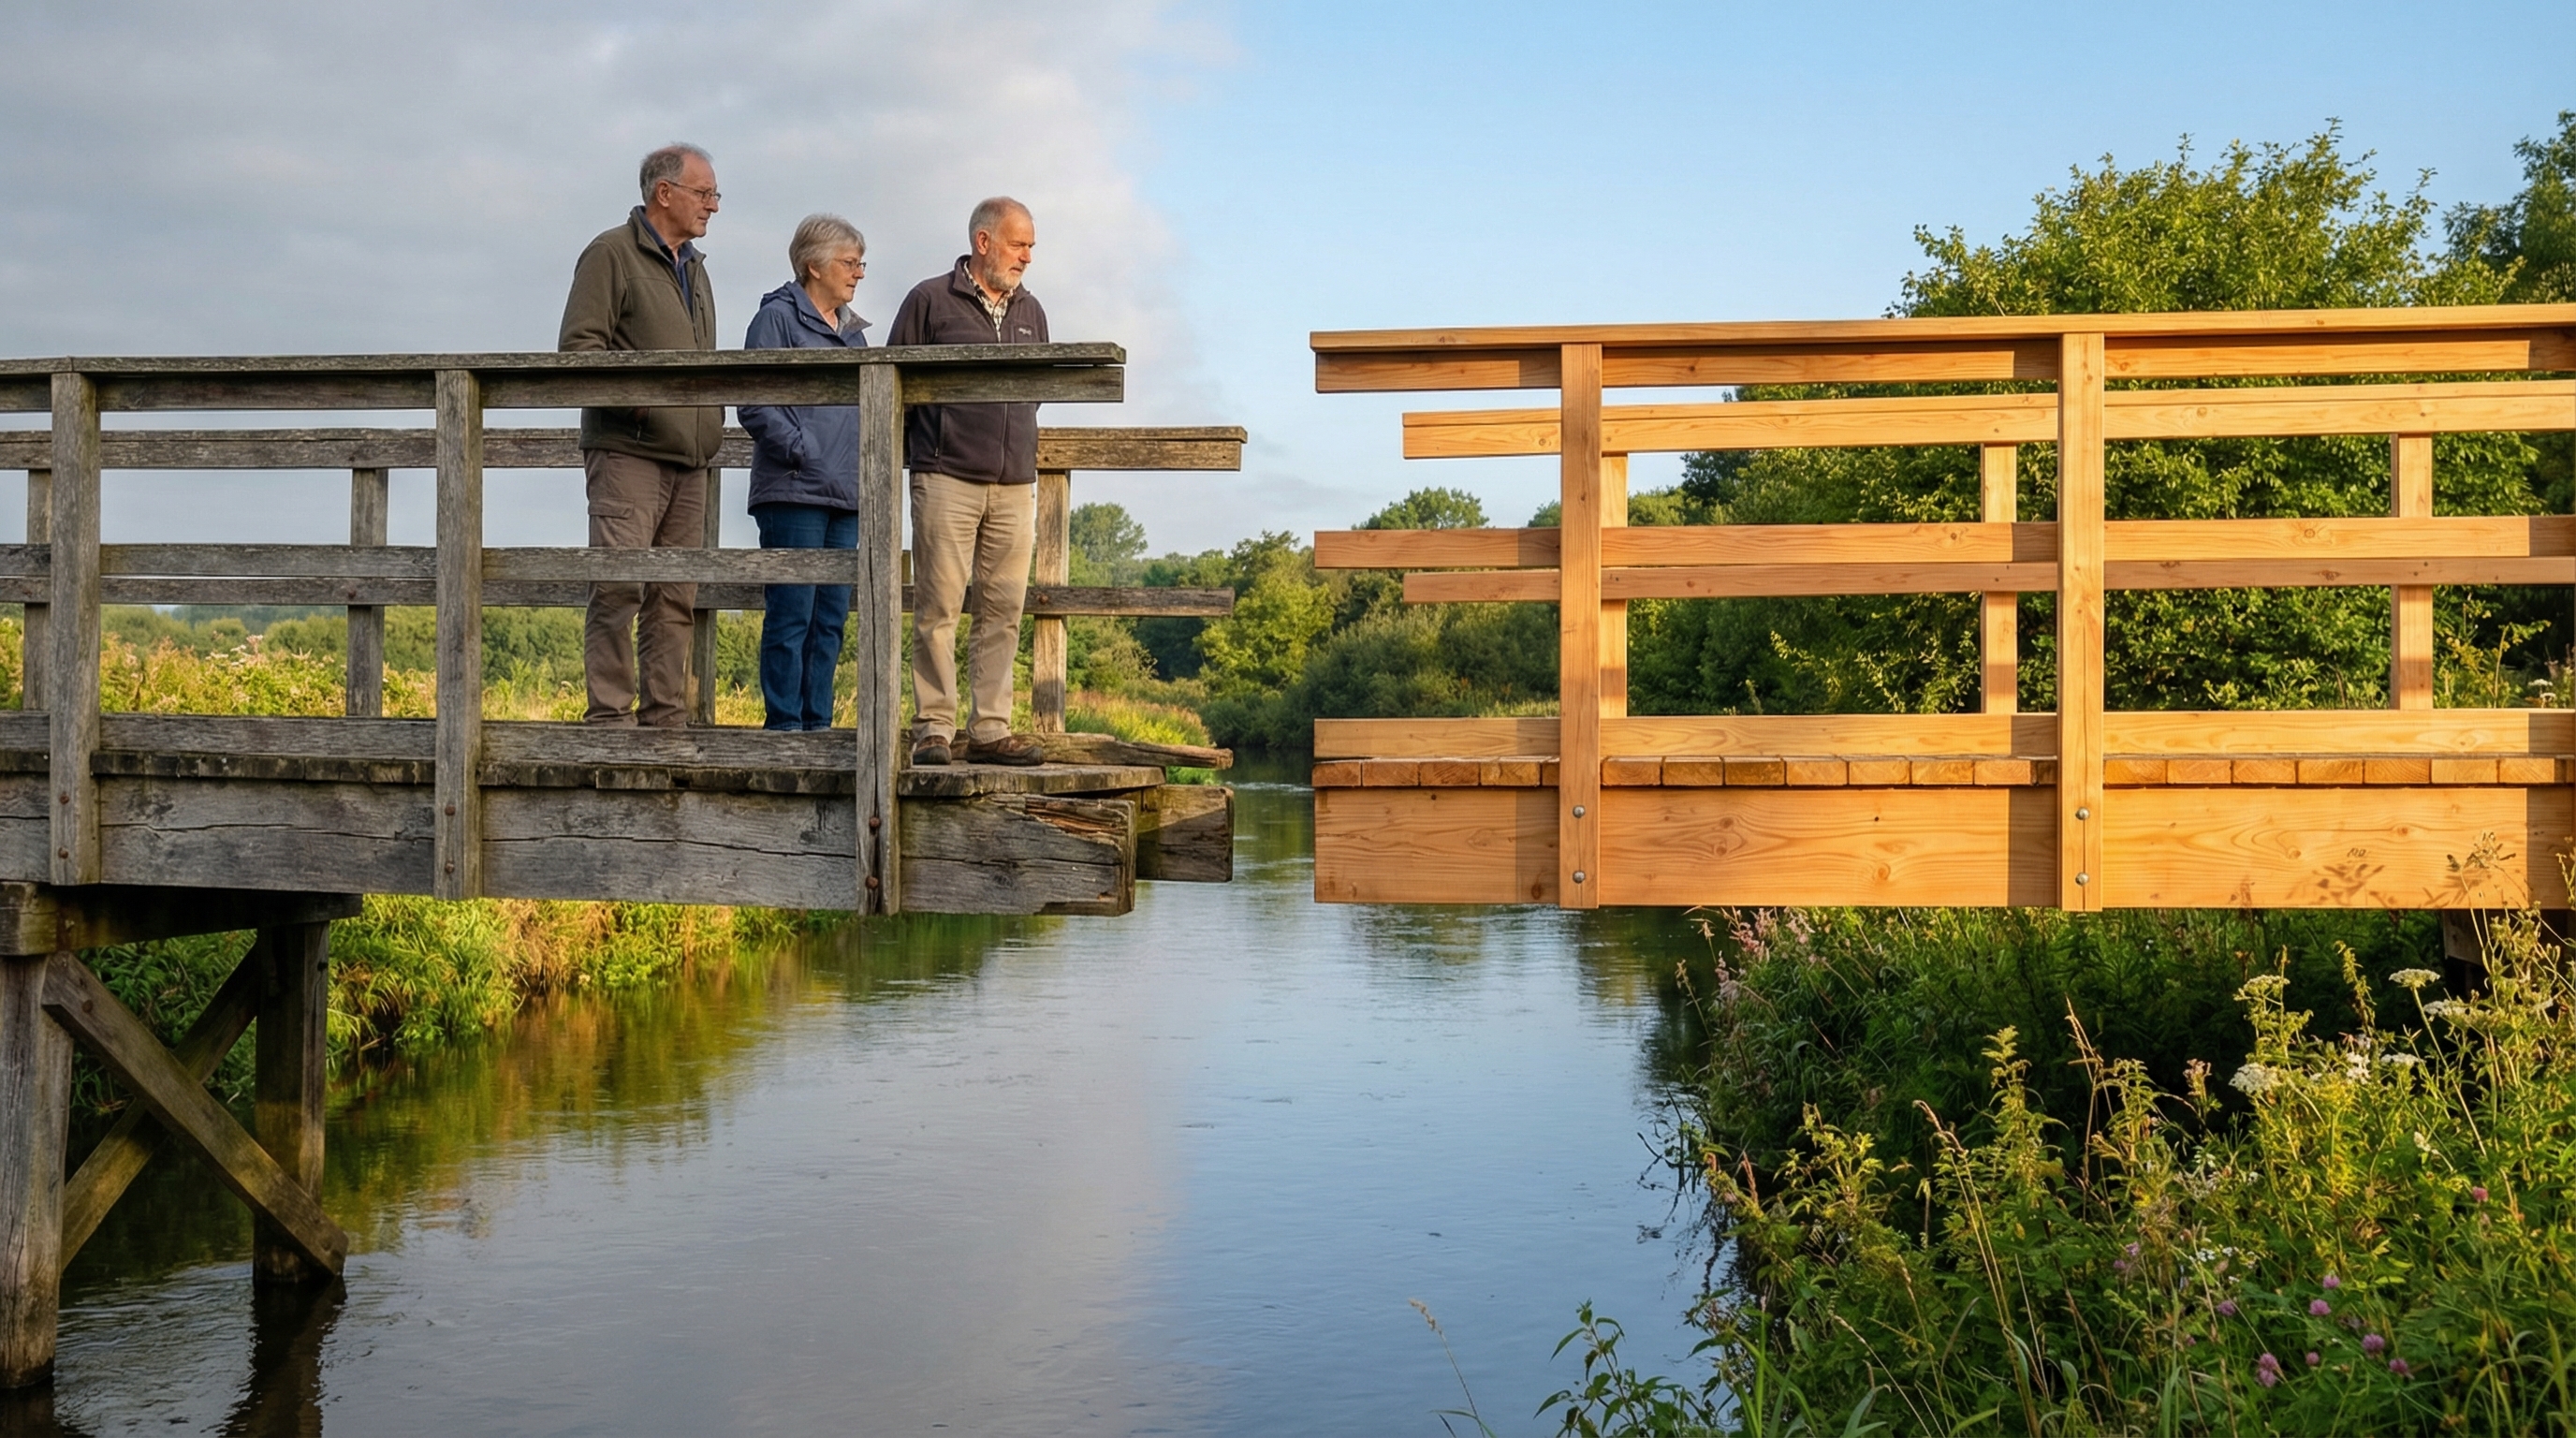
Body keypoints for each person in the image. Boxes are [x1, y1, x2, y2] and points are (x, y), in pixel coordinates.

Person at [558, 142, 723, 726]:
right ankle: (608, 717)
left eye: (713, 195)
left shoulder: (695, 268)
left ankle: (664, 716)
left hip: (690, 459)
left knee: (676, 594)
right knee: (618, 586)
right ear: (664, 193)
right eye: (705, 194)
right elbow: (578, 352)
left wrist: (706, 425)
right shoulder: (610, 254)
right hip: (630, 451)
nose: (713, 207)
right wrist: (644, 410)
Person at [890, 197, 1048, 767]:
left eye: (1031, 245)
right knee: (939, 606)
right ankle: (933, 727)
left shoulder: (1032, 311)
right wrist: (916, 458)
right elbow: (891, 389)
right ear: (983, 242)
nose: (1028, 256)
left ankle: (989, 729)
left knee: (1004, 608)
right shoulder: (930, 301)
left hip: (1013, 483)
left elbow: (1033, 396)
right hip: (946, 475)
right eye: (1018, 243)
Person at [739, 215, 870, 730]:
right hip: (793, 490)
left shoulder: (854, 333)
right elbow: (754, 401)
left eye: (862, 263)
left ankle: (818, 724)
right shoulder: (776, 318)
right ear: (814, 265)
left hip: (846, 494)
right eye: (849, 262)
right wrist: (802, 449)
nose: (858, 273)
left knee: (831, 619)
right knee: (792, 614)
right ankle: (785, 726)